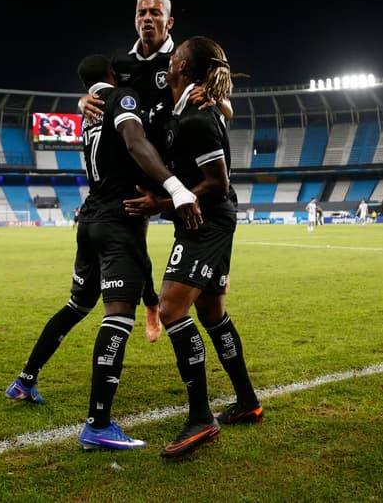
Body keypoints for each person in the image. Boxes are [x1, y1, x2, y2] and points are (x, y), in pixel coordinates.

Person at [6, 54, 202, 453]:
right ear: (113, 75)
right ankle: (98, 424)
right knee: (118, 317)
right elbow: (134, 141)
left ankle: (25, 381)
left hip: (90, 219)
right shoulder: (121, 98)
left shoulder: (89, 112)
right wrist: (176, 187)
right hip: (117, 219)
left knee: (76, 306)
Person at [124, 36, 263, 460]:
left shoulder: (198, 118)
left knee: (170, 310)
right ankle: (247, 400)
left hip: (207, 221)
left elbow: (217, 183)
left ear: (183, 67)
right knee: (211, 312)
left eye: (176, 55)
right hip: (208, 219)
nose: (170, 58)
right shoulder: (183, 109)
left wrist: (161, 204)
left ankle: (202, 417)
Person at [80, 0, 235, 345]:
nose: (147, 18)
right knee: (133, 241)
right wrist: (83, 100)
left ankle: (212, 277)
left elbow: (224, 105)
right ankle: (151, 302)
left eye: (155, 12)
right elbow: (103, 93)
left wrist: (219, 100)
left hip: (177, 162)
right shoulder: (121, 63)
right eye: (142, 12)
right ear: (135, 19)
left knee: (203, 216)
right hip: (138, 163)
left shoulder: (185, 60)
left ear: (169, 21)